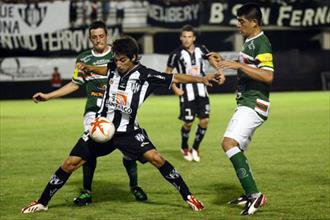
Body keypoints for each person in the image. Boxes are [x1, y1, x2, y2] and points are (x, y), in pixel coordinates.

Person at [21, 36, 224, 214]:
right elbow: (104, 68)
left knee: (157, 159)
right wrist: (91, 68)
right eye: (116, 59)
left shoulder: (145, 75)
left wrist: (202, 79)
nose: (118, 64)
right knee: (69, 164)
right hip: (101, 127)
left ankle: (188, 197)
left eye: (123, 60)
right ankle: (42, 202)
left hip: (128, 132)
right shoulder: (112, 66)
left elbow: (176, 77)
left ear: (134, 57)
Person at [30, 21, 147, 207]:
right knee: (89, 150)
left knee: (129, 153)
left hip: (120, 111)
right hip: (93, 114)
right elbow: (75, 84)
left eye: (101, 36)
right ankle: (87, 191)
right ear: (90, 38)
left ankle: (134, 186)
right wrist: (48, 96)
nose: (98, 40)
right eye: (94, 37)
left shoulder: (117, 55)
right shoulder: (84, 58)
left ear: (107, 35)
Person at [218, 3, 274, 216]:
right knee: (237, 148)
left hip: (254, 103)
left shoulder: (262, 43)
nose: (238, 25)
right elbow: (247, 67)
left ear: (254, 22)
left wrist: (238, 66)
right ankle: (249, 194)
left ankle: (255, 194)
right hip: (246, 102)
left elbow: (268, 76)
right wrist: (225, 62)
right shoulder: (250, 42)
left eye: (242, 21)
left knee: (228, 143)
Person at [165, 25, 220, 162]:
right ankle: (184, 146)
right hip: (186, 92)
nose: (187, 39)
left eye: (189, 36)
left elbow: (211, 59)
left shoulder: (202, 49)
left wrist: (219, 70)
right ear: (180, 38)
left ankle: (195, 147)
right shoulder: (175, 54)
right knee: (188, 123)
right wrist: (175, 88)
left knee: (205, 121)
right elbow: (167, 73)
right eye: (184, 36)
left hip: (202, 91)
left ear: (194, 38)